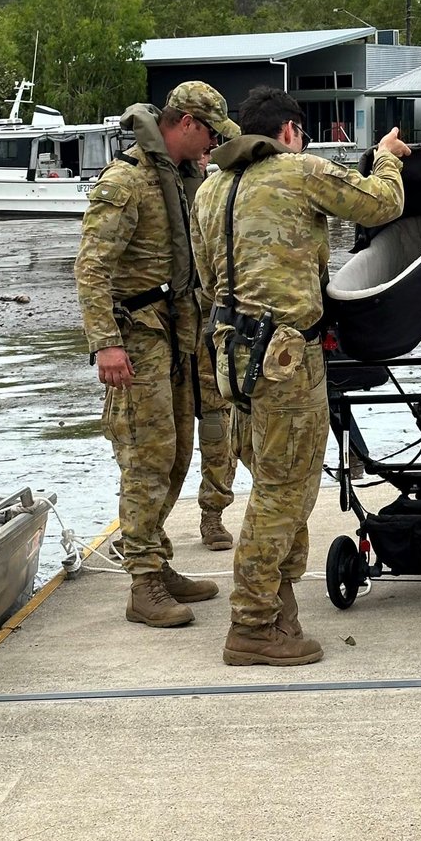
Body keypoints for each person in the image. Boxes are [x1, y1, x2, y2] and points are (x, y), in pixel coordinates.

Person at [191, 86, 409, 665]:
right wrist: (387, 156)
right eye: (302, 134)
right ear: (288, 131)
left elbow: (207, 282)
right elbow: (383, 204)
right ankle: (252, 624)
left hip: (231, 355)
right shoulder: (299, 171)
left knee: (274, 483)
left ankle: (281, 606)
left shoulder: (209, 188)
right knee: (283, 492)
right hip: (286, 356)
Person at [74, 80, 240, 629]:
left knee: (176, 454)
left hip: (178, 335)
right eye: (210, 132)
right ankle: (142, 582)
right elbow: (91, 268)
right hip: (137, 337)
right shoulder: (126, 181)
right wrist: (106, 343)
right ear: (186, 122)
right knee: (146, 458)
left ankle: (156, 560)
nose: (213, 143)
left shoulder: (184, 178)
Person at [195, 148, 238, 551]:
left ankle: (213, 512)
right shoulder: (153, 186)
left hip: (213, 326)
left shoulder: (221, 190)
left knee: (217, 426)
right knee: (155, 443)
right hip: (166, 331)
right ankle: (143, 530)